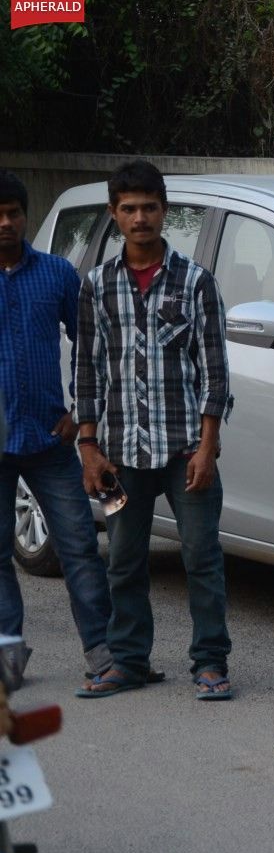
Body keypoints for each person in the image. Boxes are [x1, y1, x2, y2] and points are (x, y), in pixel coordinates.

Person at [75, 160, 235, 701]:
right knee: (122, 561)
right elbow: (87, 370)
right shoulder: (97, 286)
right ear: (114, 214)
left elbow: (215, 371)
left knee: (201, 557)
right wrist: (89, 447)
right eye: (128, 208)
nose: (140, 217)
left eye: (149, 207)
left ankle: (211, 662)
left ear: (165, 211)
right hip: (119, 455)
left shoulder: (195, 281)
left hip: (186, 448)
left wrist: (208, 448)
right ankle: (128, 661)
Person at [0, 170, 114, 684]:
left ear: (25, 216)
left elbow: (90, 347)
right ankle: (9, 657)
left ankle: (102, 653)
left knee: (79, 547)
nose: (6, 223)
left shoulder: (57, 275)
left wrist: (79, 413)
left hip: (49, 439)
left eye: (14, 213)